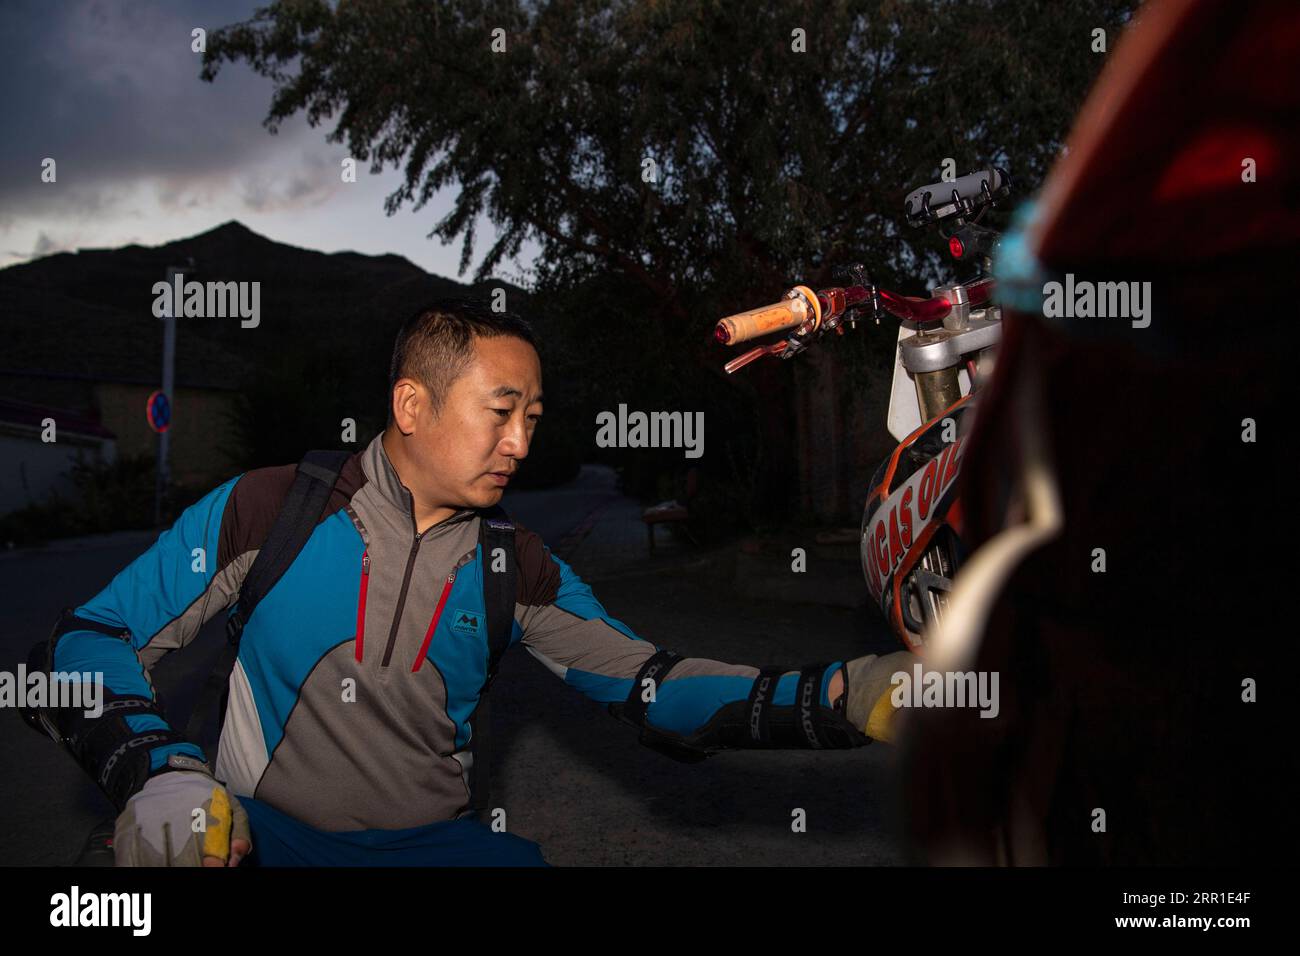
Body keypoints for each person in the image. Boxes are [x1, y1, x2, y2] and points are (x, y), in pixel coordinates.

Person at [44, 298, 908, 866]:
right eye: (502, 411)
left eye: (533, 418)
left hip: (438, 850)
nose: (522, 442)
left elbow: (650, 685)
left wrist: (840, 692)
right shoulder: (269, 510)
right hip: (258, 841)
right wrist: (156, 771)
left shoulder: (517, 566)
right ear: (412, 407)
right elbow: (83, 643)